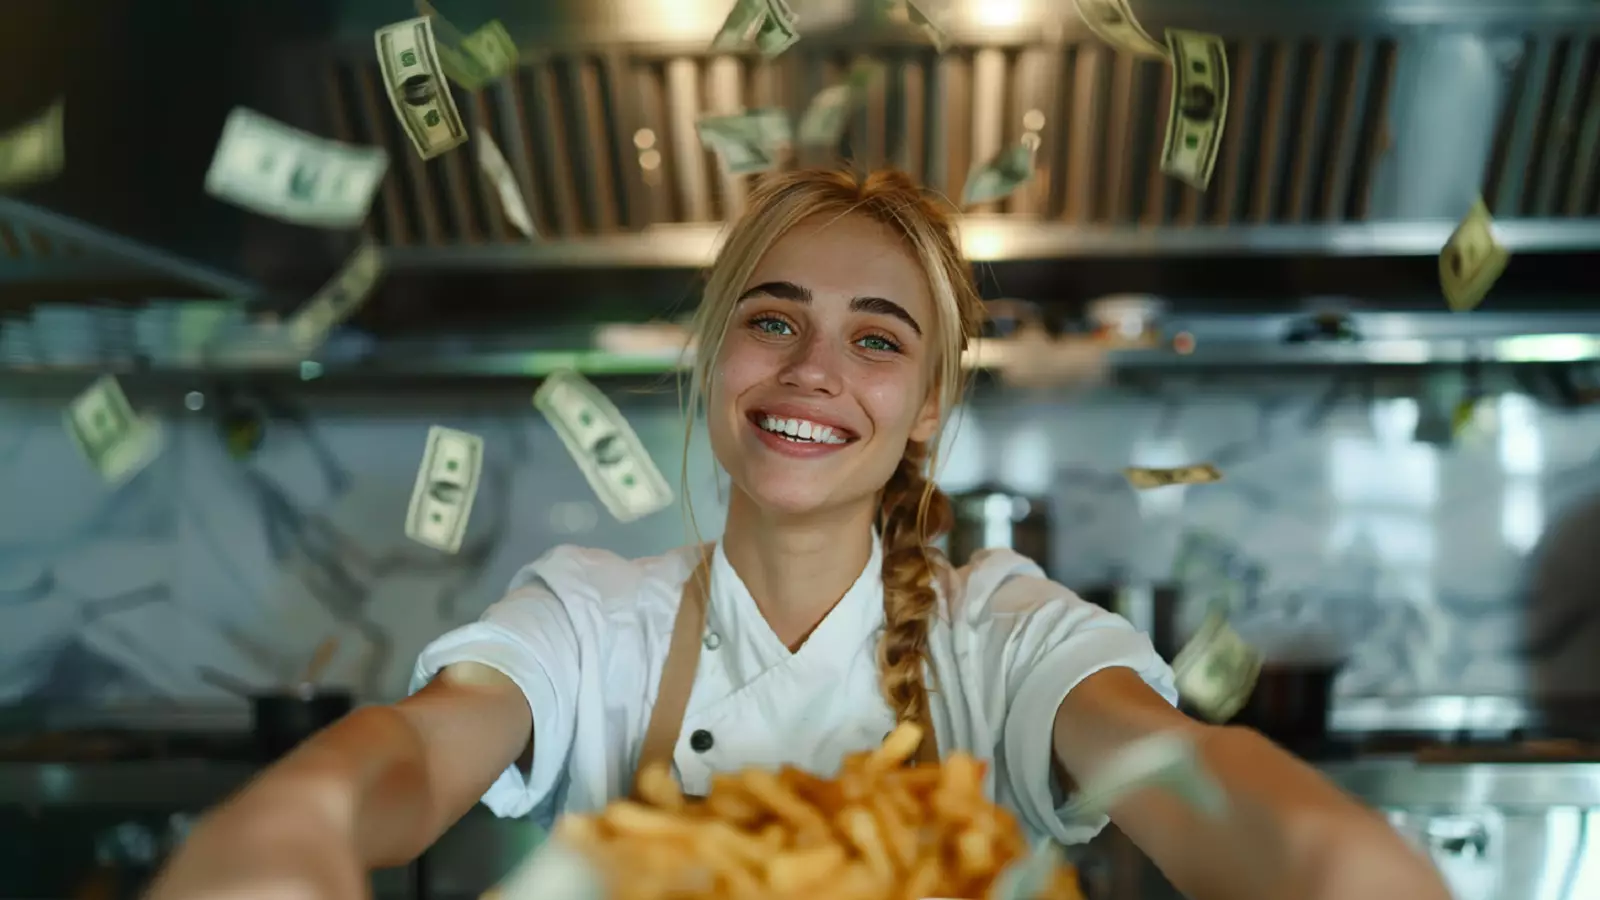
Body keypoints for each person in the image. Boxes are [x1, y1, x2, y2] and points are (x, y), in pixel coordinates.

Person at [147, 168, 1450, 900]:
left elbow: (1175, 766)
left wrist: (1336, 862)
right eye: (773, 320)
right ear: (717, 356)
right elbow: (419, 747)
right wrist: (289, 834)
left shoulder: (998, 631)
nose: (813, 369)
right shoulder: (595, 616)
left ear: (928, 407)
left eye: (877, 341)